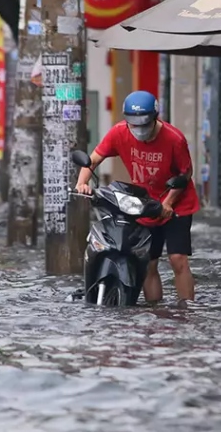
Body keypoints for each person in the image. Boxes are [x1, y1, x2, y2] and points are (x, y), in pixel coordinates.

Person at [74, 91, 201, 305]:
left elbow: (185, 174)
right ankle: (154, 309)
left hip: (176, 203)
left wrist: (168, 203)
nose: (139, 130)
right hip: (144, 204)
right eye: (133, 125)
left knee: (177, 259)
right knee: (148, 262)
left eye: (144, 124)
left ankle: (186, 308)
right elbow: (93, 159)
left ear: (155, 118)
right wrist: (82, 183)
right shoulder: (119, 133)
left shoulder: (174, 139)